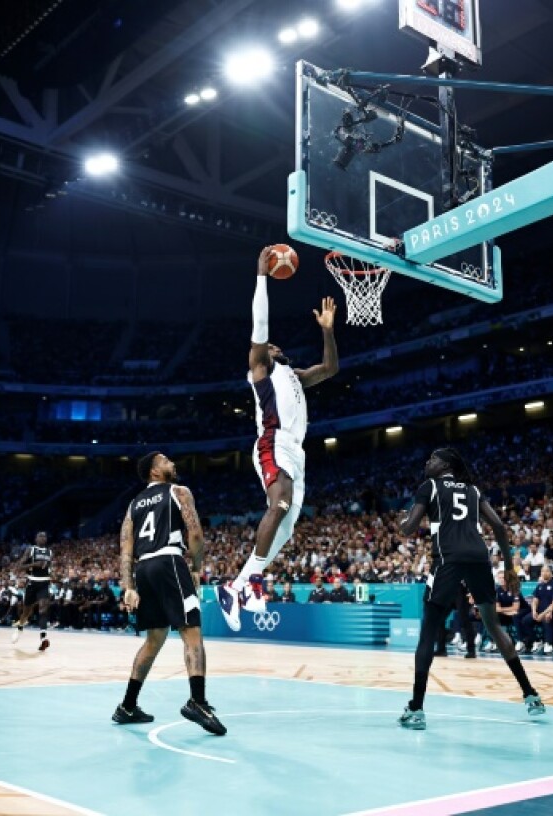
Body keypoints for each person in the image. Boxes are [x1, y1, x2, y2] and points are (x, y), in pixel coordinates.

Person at [216, 247, 339, 632]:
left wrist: (328, 331)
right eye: (267, 346)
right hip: (273, 441)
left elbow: (331, 368)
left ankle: (235, 586)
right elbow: (260, 326)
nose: (272, 345)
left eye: (273, 346)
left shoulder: (294, 374)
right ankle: (251, 582)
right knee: (279, 503)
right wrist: (261, 276)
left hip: (297, 452)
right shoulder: (262, 369)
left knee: (286, 529)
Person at [397, 448, 545, 730]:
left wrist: (403, 523)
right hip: (479, 558)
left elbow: (409, 528)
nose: (427, 462)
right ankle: (531, 694)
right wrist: (510, 567)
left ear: (445, 465)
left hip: (449, 559)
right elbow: (500, 527)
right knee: (494, 626)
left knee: (429, 629)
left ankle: (416, 708)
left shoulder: (429, 486)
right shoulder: (473, 490)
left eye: (433, 459)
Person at [112, 452, 225, 736]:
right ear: (154, 471)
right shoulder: (178, 491)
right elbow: (196, 534)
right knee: (192, 633)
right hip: (170, 562)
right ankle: (197, 702)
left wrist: (128, 587)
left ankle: (127, 706)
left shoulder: (133, 505)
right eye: (165, 461)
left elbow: (125, 550)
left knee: (154, 639)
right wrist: (197, 568)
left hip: (144, 570)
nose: (171, 463)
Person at [11, 531, 53, 651]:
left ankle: (43, 639)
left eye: (45, 536)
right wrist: (35, 564)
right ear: (36, 538)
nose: (43, 538)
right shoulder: (31, 550)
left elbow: (48, 568)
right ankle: (19, 628)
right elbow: (20, 566)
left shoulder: (50, 552)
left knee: (43, 609)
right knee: (26, 612)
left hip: (44, 583)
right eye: (40, 536)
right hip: (32, 582)